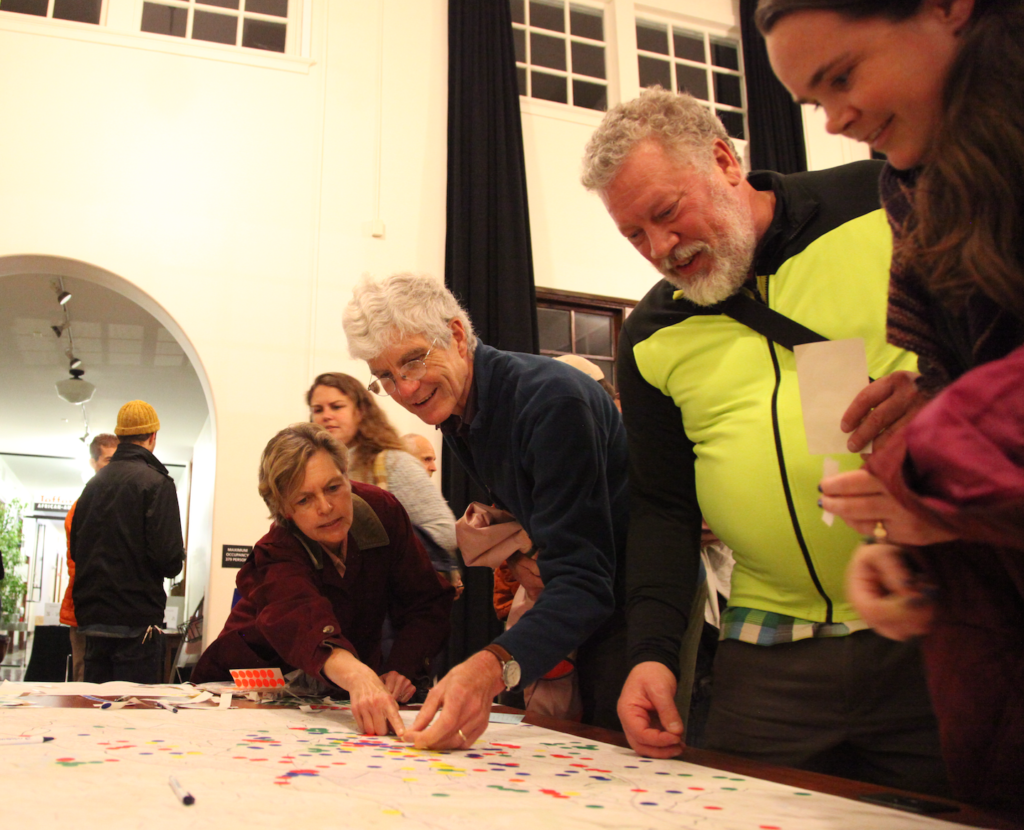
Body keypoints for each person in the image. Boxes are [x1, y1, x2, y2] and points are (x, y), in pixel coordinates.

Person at [580, 88, 946, 795]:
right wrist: (652, 652)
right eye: (634, 235)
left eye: (665, 213)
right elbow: (662, 508)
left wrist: (936, 401)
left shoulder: (886, 206)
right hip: (766, 661)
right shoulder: (654, 335)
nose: (660, 249)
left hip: (928, 625)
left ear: (724, 160)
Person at [759, 0, 1024, 809]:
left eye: (843, 76)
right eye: (814, 100)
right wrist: (909, 540)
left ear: (948, 9)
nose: (837, 120)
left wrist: (923, 473)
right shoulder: (913, 188)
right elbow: (959, 386)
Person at [342, 272, 629, 748]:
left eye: (413, 361)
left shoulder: (551, 402)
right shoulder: (460, 413)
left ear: (456, 334)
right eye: (386, 377)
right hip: (577, 607)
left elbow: (587, 578)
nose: (406, 390)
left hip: (626, 614)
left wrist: (489, 667)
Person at [193, 423, 454, 737]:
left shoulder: (383, 513)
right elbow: (303, 621)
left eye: (333, 487)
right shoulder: (278, 551)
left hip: (336, 698)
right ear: (285, 511)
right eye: (304, 500)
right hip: (247, 687)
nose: (326, 507)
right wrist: (358, 676)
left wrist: (400, 666)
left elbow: (425, 603)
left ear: (347, 475)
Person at [307, 373, 461, 595]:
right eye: (318, 410)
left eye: (337, 407)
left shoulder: (391, 462)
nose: (326, 416)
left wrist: (383, 562)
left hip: (393, 605)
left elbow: (444, 532)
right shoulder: (318, 473)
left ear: (360, 412)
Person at [70, 401, 184, 684]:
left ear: (119, 437)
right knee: (134, 715)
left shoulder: (92, 486)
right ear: (153, 437)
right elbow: (169, 561)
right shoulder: (157, 483)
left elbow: (76, 550)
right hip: (138, 624)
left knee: (95, 712)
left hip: (94, 622)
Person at [60, 433, 118, 682]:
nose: (113, 466)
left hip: (116, 609)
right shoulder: (81, 506)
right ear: (94, 462)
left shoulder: (123, 502)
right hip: (86, 608)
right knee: (84, 675)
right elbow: (76, 561)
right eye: (108, 460)